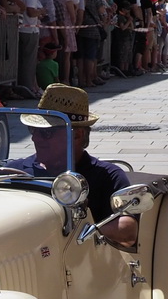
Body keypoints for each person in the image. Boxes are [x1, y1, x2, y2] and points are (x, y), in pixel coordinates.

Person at [11, 85, 137, 246]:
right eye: (33, 130)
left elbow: (127, 229)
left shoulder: (106, 175)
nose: (35, 139)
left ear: (77, 135)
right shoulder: (14, 171)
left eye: (46, 133)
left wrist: (74, 233)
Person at [10, 0, 44, 94]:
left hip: (20, 27)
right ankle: (27, 87)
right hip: (29, 28)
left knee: (21, 60)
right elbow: (31, 11)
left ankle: (24, 85)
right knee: (28, 61)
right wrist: (41, 11)